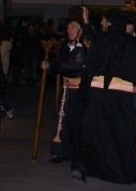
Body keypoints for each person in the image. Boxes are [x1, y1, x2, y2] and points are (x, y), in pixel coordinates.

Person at [73, 9, 136, 184]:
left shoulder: (100, 40)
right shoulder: (133, 42)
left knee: (96, 132)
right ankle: (121, 172)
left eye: (103, 21)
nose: (101, 24)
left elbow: (90, 67)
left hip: (98, 95)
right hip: (122, 97)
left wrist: (84, 91)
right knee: (120, 133)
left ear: (109, 22)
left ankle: (91, 167)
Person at [42, 19, 87, 163]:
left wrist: (59, 66)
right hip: (66, 89)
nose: (70, 31)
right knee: (62, 120)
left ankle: (80, 153)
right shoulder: (65, 48)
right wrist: (48, 65)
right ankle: (61, 152)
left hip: (81, 92)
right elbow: (57, 64)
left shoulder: (86, 47)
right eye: (68, 28)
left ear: (80, 30)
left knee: (78, 121)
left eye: (73, 28)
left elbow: (77, 66)